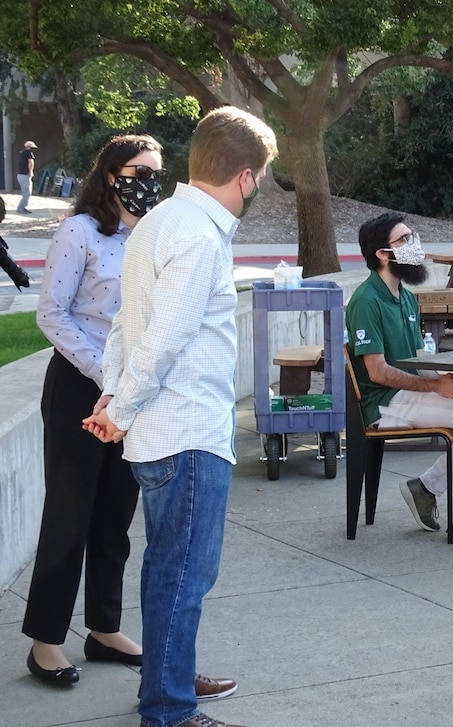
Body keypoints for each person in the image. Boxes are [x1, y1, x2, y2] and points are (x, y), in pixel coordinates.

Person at [83, 106, 278, 727]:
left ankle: (168, 677)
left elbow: (123, 325)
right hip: (185, 431)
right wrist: (123, 405)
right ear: (246, 177)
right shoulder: (196, 235)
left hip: (161, 431)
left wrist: (115, 399)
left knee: (169, 567)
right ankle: (167, 709)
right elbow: (162, 337)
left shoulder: (160, 221)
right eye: (262, 178)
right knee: (183, 574)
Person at [22, 135, 163, 687]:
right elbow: (52, 315)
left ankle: (104, 629)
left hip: (129, 394)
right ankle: (45, 642)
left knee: (115, 517)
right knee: (69, 514)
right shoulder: (79, 232)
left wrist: (132, 384)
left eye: (156, 172)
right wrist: (106, 375)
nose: (148, 181)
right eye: (138, 171)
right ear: (110, 174)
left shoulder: (149, 238)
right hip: (81, 390)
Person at [345, 212, 453, 537]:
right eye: (404, 239)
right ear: (382, 254)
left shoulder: (406, 297)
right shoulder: (366, 301)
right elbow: (377, 372)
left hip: (409, 394)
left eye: (411, 236)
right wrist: (436, 385)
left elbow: (417, 357)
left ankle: (425, 488)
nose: (414, 244)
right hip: (384, 404)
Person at [17, 140, 37, 213]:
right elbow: (30, 163)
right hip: (25, 175)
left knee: (25, 192)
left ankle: (23, 207)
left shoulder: (22, 153)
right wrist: (31, 172)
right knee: (27, 193)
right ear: (30, 147)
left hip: (20, 175)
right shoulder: (29, 153)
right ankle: (21, 208)